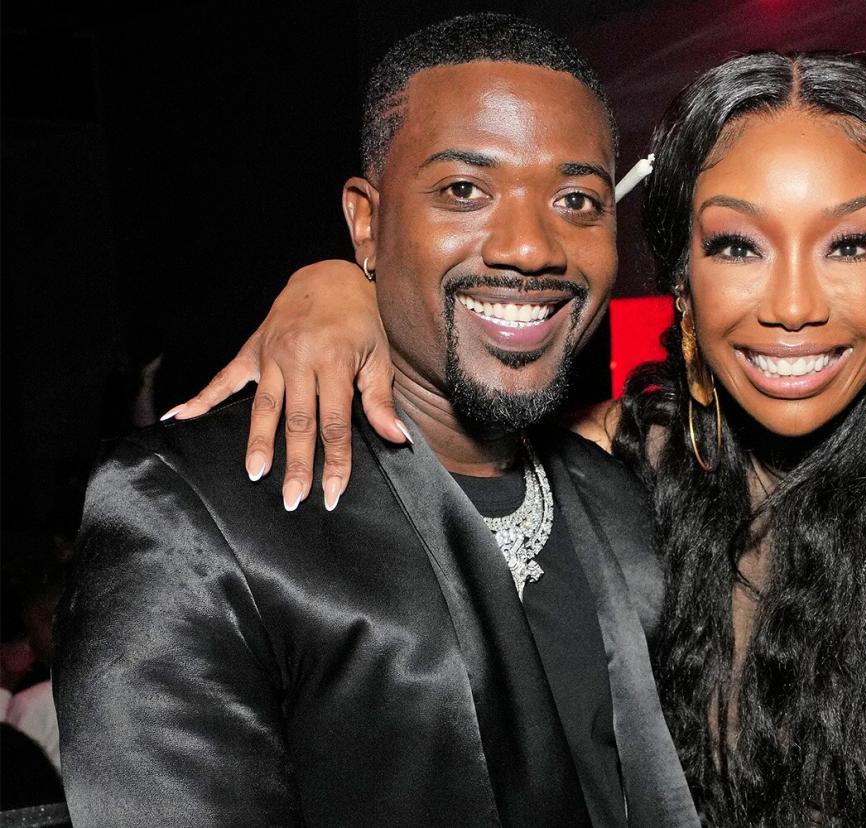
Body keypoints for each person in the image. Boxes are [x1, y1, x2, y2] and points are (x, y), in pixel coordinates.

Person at [172, 52, 866, 826]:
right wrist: (341, 291)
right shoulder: (608, 470)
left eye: (850, 244)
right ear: (685, 285)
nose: (792, 305)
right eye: (738, 244)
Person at [54, 14, 697, 827]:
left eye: (577, 199)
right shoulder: (204, 509)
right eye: (465, 190)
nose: (532, 247)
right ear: (367, 221)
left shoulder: (625, 503)